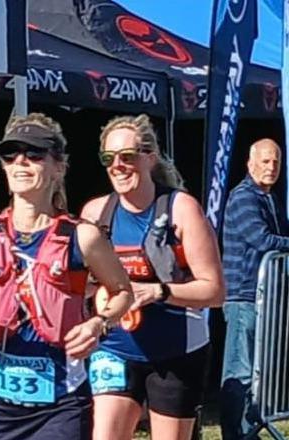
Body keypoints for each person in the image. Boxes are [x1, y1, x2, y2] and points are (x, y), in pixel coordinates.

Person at [0, 113, 133, 440]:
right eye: (10, 155)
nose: (20, 163)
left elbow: (123, 292)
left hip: (62, 403)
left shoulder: (82, 236)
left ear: (59, 167)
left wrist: (98, 323)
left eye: (34, 154)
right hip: (2, 406)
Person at [80, 114, 225, 440]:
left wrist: (156, 292)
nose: (117, 166)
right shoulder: (95, 213)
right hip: (115, 347)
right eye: (108, 158)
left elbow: (215, 291)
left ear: (149, 157)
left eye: (127, 157)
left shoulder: (180, 208)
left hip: (175, 349)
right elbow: (82, 283)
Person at [219, 139, 289, 440]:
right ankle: (237, 434)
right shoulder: (243, 198)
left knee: (255, 371)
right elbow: (263, 240)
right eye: (266, 161)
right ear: (250, 163)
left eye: (276, 162)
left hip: (263, 297)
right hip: (243, 295)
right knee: (240, 372)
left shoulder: (269, 197)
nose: (271, 167)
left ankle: (249, 429)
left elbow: (286, 232)